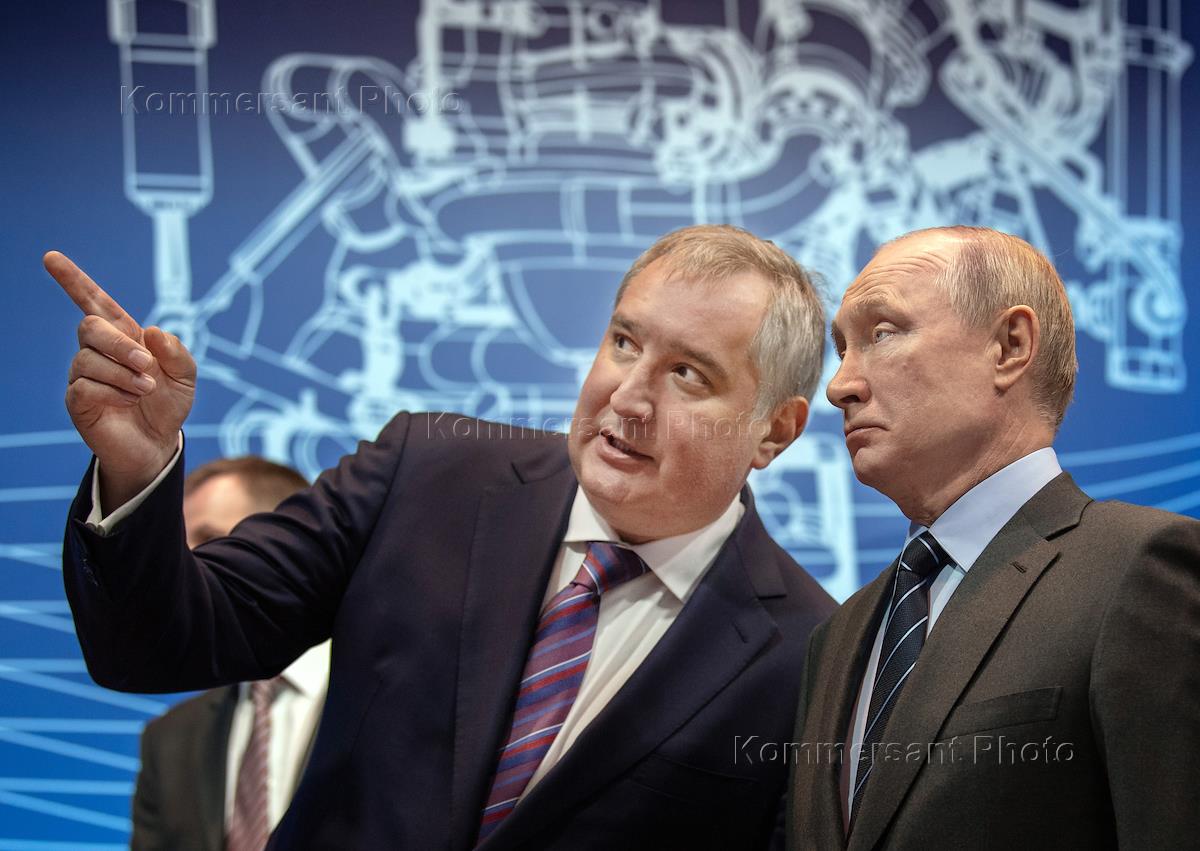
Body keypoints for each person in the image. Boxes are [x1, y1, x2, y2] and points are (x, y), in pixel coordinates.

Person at [47, 224, 836, 850]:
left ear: (775, 429)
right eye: (624, 342)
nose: (627, 397)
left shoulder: (811, 656)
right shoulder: (426, 473)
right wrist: (139, 468)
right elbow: (156, 644)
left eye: (688, 374)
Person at [784, 226, 1200, 850]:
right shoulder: (838, 635)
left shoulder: (1140, 569)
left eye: (883, 333)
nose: (839, 385)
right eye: (842, 347)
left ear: (1009, 346)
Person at [131, 456, 330, 851]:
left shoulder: (396, 705)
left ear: (288, 543)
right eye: (178, 544)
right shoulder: (169, 739)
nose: (181, 563)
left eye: (207, 538)